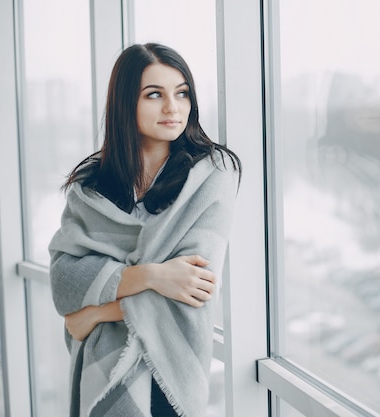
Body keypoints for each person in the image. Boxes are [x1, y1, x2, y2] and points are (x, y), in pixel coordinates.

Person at [48, 43, 241, 417]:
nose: (173, 107)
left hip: (167, 367)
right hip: (101, 368)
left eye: (182, 93)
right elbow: (64, 282)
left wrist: (93, 314)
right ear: (125, 104)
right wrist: (152, 274)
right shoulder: (90, 186)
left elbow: (189, 289)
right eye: (155, 94)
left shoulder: (212, 175)